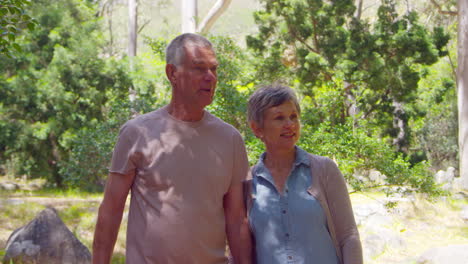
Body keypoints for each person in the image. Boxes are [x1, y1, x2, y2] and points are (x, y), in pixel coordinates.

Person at [92, 33, 252, 264]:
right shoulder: (138, 133)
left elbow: (237, 220)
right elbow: (110, 211)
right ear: (172, 73)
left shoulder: (230, 139)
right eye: (199, 68)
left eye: (214, 69)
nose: (210, 77)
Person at [244, 84, 362, 264]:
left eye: (293, 117)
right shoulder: (247, 183)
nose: (290, 125)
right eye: (279, 118)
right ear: (257, 129)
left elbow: (348, 236)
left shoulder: (324, 169)